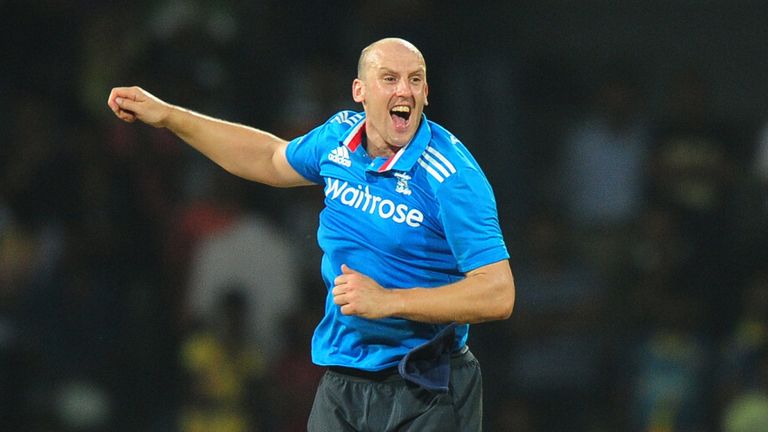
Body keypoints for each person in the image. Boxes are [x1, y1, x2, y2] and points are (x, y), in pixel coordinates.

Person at [107, 37, 515, 432]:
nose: (403, 90)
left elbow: (498, 293)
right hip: (344, 380)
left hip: (428, 384)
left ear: (426, 91)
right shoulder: (338, 138)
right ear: (360, 90)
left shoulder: (452, 176)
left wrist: (389, 302)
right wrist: (170, 117)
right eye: (389, 78)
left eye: (414, 79)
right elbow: (268, 158)